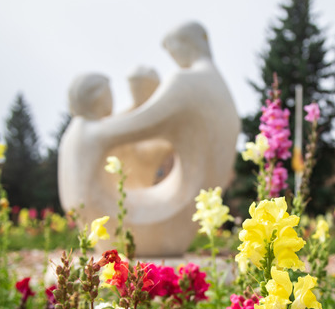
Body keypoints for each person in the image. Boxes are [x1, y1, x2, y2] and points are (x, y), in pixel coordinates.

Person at [58, 21, 240, 256]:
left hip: (170, 210)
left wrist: (138, 102)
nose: (173, 59)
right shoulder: (216, 83)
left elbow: (143, 121)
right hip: (165, 204)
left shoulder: (185, 82)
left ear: (185, 45)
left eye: (172, 51)